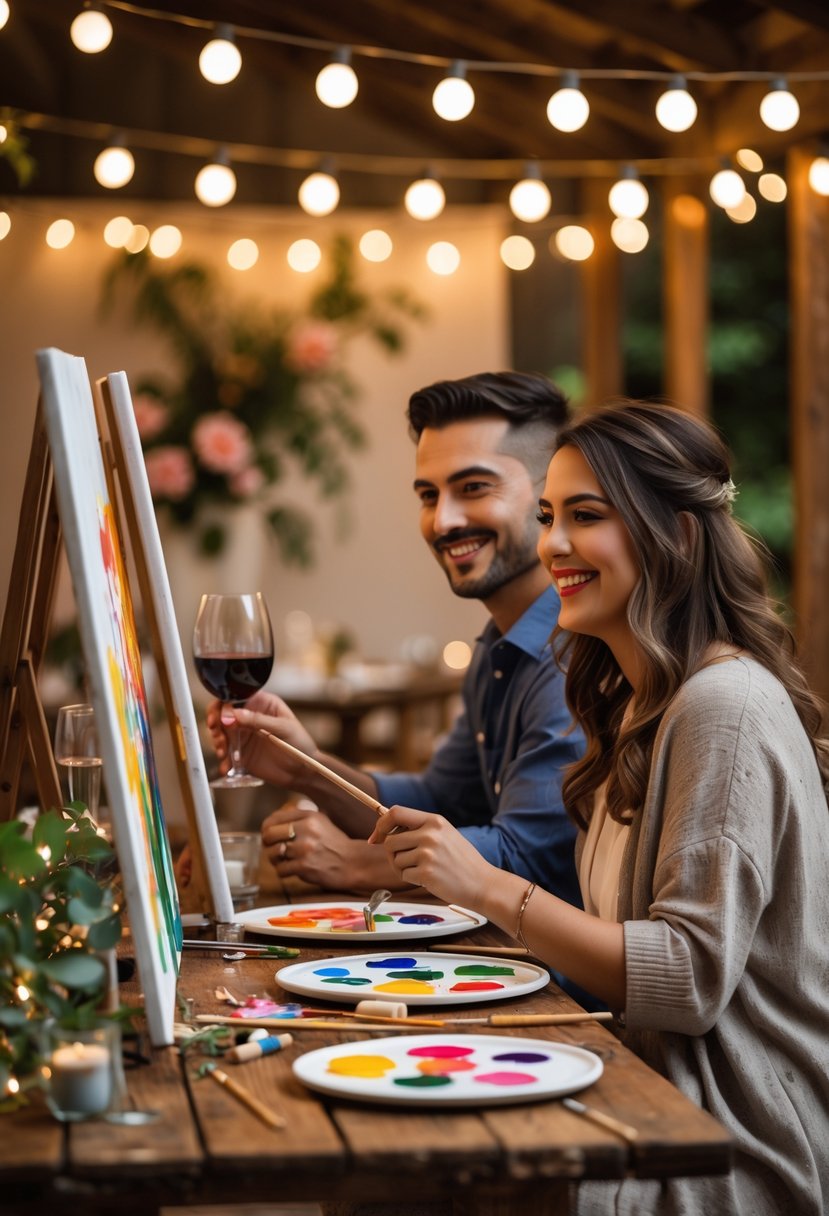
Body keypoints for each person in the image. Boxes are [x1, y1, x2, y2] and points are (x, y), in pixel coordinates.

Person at [370, 401, 829, 1215]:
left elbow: (684, 979)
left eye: (586, 516)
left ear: (679, 538)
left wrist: (484, 888)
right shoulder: (637, 700)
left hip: (724, 1142)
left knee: (402, 1176)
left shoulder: (722, 707)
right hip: (640, 1093)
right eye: (548, 515)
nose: (552, 544)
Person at [207, 371, 584, 908]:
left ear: (551, 495)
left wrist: (355, 862)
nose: (443, 520)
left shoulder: (571, 652)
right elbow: (442, 802)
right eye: (429, 495)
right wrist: (308, 767)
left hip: (559, 986)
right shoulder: (500, 647)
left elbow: (527, 856)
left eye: (473, 488)